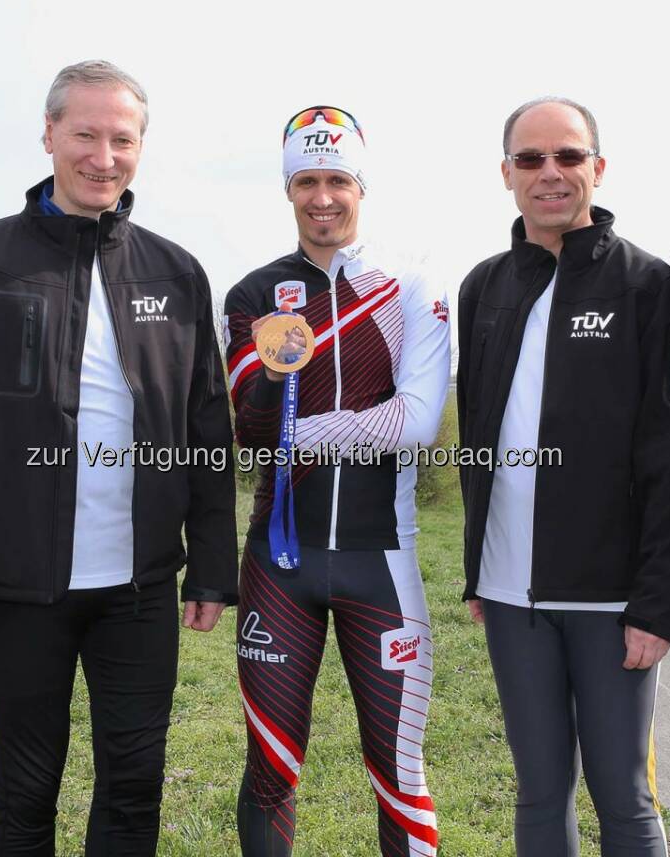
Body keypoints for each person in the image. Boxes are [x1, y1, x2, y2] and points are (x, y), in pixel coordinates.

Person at [0, 59, 237, 856]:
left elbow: (206, 430)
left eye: (122, 138)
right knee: (26, 789)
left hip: (140, 587)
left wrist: (214, 566)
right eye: (85, 134)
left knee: (135, 782)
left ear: (141, 147)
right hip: (17, 588)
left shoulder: (175, 271)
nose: (103, 155)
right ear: (49, 134)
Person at [456, 97, 670, 856]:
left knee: (623, 798)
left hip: (612, 597)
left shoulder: (648, 285)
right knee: (537, 794)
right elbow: (477, 437)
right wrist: (476, 573)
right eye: (531, 160)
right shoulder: (484, 287)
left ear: (598, 167)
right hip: (510, 596)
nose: (550, 174)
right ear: (507, 174)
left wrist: (657, 600)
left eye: (568, 157)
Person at [224, 106, 450, 856]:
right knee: (270, 770)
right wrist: (291, 425)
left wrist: (307, 437)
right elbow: (246, 428)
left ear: (361, 186)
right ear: (290, 190)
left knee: (397, 767)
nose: (323, 197)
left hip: (379, 562)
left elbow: (417, 421)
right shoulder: (254, 293)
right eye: (307, 181)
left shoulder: (408, 287)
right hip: (277, 565)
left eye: (338, 180)